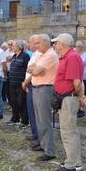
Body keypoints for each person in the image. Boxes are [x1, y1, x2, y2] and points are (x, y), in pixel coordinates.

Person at [53, 33, 86, 171]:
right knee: (70, 131)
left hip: (69, 98)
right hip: (65, 98)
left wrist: (81, 97)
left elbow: (77, 82)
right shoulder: (67, 57)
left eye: (56, 43)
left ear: (64, 44)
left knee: (68, 132)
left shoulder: (72, 57)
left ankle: (70, 166)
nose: (55, 45)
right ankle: (75, 161)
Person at [27, 34, 58, 162]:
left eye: (38, 43)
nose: (35, 46)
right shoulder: (41, 54)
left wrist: (35, 70)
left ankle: (49, 151)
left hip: (45, 89)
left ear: (45, 42)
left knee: (44, 120)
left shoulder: (50, 55)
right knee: (39, 120)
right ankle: (43, 144)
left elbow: (34, 71)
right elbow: (30, 68)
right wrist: (35, 69)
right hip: (37, 88)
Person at [22, 35, 40, 142]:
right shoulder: (34, 54)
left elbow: (33, 72)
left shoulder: (38, 55)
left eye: (30, 42)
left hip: (32, 84)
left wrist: (25, 83)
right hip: (29, 84)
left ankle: (37, 135)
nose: (29, 44)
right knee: (31, 112)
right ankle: (34, 133)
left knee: (34, 112)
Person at [8, 39, 30, 128]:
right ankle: (15, 118)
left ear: (18, 46)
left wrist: (25, 82)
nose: (12, 47)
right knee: (13, 102)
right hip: (12, 82)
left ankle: (24, 120)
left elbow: (27, 70)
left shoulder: (25, 56)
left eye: (13, 45)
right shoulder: (14, 56)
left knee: (22, 102)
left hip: (21, 83)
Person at [75, 41, 86, 118]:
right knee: (76, 93)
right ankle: (77, 108)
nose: (77, 48)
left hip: (83, 76)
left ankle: (81, 109)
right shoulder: (74, 53)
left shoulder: (85, 55)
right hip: (75, 76)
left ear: (82, 47)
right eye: (77, 46)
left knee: (82, 93)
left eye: (79, 46)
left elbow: (81, 63)